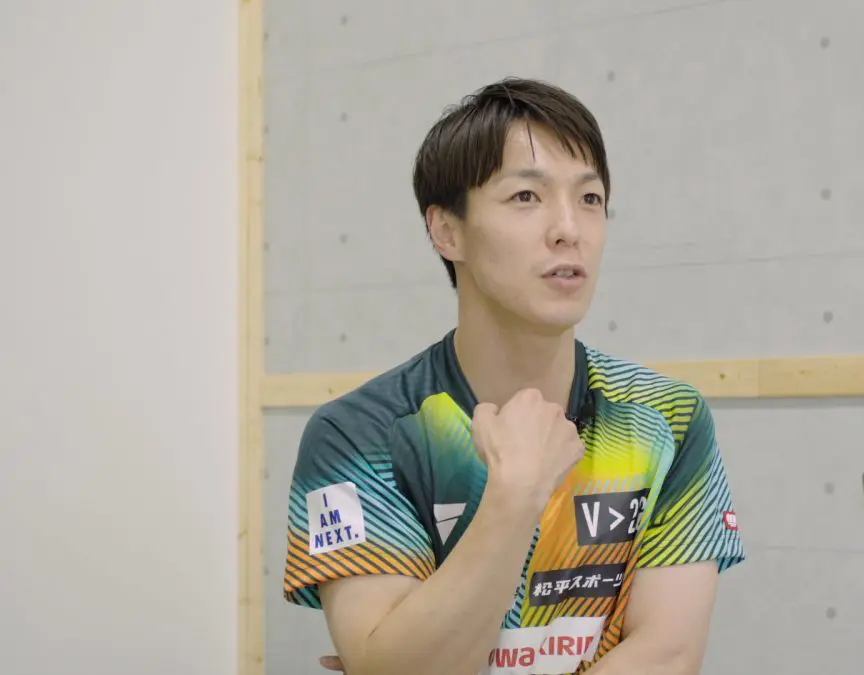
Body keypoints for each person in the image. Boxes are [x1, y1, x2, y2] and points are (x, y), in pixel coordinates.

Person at [280, 76, 745, 675]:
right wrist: (515, 494)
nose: (569, 228)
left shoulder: (668, 418)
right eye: (526, 196)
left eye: (590, 198)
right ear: (447, 231)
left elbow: (668, 653)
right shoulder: (359, 435)